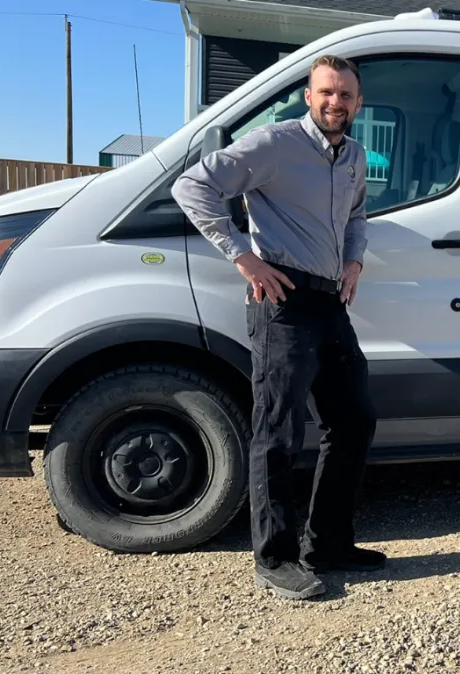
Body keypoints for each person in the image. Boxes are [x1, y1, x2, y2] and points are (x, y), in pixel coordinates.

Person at [171, 54, 385, 601]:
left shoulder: (355, 155)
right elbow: (192, 187)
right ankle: (276, 558)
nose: (335, 102)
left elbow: (356, 215)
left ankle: (328, 544)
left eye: (345, 95)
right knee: (279, 431)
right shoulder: (274, 143)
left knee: (353, 420)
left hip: (330, 301)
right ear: (308, 96)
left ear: (358, 103)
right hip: (282, 301)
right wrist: (243, 257)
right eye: (326, 92)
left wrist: (354, 261)